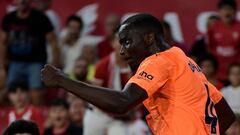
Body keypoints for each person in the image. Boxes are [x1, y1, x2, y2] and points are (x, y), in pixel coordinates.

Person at [41, 13, 235, 135]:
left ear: (149, 38)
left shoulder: (158, 61)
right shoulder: (184, 60)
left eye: (126, 42)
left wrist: (62, 80)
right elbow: (225, 114)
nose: (122, 51)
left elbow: (121, 103)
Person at [84, 31, 148, 135]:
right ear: (112, 43)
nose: (122, 46)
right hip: (99, 113)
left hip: (123, 114)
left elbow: (141, 95)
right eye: (119, 42)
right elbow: (95, 95)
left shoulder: (138, 66)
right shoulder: (102, 65)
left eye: (126, 42)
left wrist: (129, 110)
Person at [0, 0, 60, 105]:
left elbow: (53, 41)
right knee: (11, 94)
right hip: (15, 62)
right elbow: (3, 43)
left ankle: (36, 119)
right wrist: (2, 67)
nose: (21, 1)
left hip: (36, 62)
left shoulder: (41, 17)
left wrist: (54, 65)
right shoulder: (9, 18)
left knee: (37, 95)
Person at [207, 0, 240, 81]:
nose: (227, 12)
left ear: (235, 11)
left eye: (230, 9)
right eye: (224, 9)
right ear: (219, 12)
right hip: (217, 74)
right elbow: (209, 48)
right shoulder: (213, 27)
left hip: (236, 74)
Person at [222, 63, 240, 135]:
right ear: (228, 76)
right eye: (233, 73)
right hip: (229, 121)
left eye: (238, 73)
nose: (235, 76)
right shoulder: (223, 91)